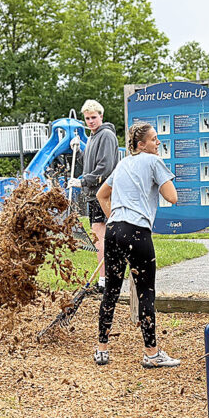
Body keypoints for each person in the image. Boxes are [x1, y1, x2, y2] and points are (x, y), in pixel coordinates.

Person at [95, 122, 180, 368]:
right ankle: (151, 353)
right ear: (141, 145)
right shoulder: (153, 162)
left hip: (113, 231)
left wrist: (113, 218)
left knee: (111, 290)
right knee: (145, 292)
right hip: (137, 232)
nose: (158, 143)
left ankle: (102, 349)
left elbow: (102, 194)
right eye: (154, 139)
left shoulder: (122, 164)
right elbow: (172, 197)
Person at [69, 99, 119, 291]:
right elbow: (89, 164)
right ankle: (107, 279)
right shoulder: (92, 137)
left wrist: (82, 181)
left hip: (103, 193)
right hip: (94, 194)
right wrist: (79, 149)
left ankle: (105, 281)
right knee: (102, 237)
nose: (90, 121)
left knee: (102, 237)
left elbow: (105, 168)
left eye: (93, 117)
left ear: (101, 116)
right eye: (87, 118)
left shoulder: (106, 135)